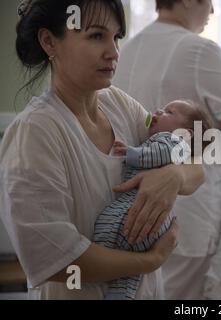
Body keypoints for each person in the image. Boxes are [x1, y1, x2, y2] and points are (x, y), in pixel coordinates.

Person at [0, 0, 204, 300]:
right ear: (49, 41)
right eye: (96, 36)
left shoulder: (120, 105)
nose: (114, 52)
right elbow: (58, 261)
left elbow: (196, 164)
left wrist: (174, 175)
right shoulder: (34, 133)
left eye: (116, 37)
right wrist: (149, 261)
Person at [113, 0, 221, 299]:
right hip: (189, 212)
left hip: (132, 208)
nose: (213, 11)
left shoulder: (125, 51)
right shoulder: (200, 51)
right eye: (210, 2)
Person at [95, 100, 211, 300]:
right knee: (130, 271)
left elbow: (158, 154)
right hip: (154, 223)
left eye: (169, 111)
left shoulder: (172, 141)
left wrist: (131, 153)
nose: (158, 110)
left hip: (138, 211)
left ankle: (101, 261)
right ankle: (120, 293)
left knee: (107, 227)